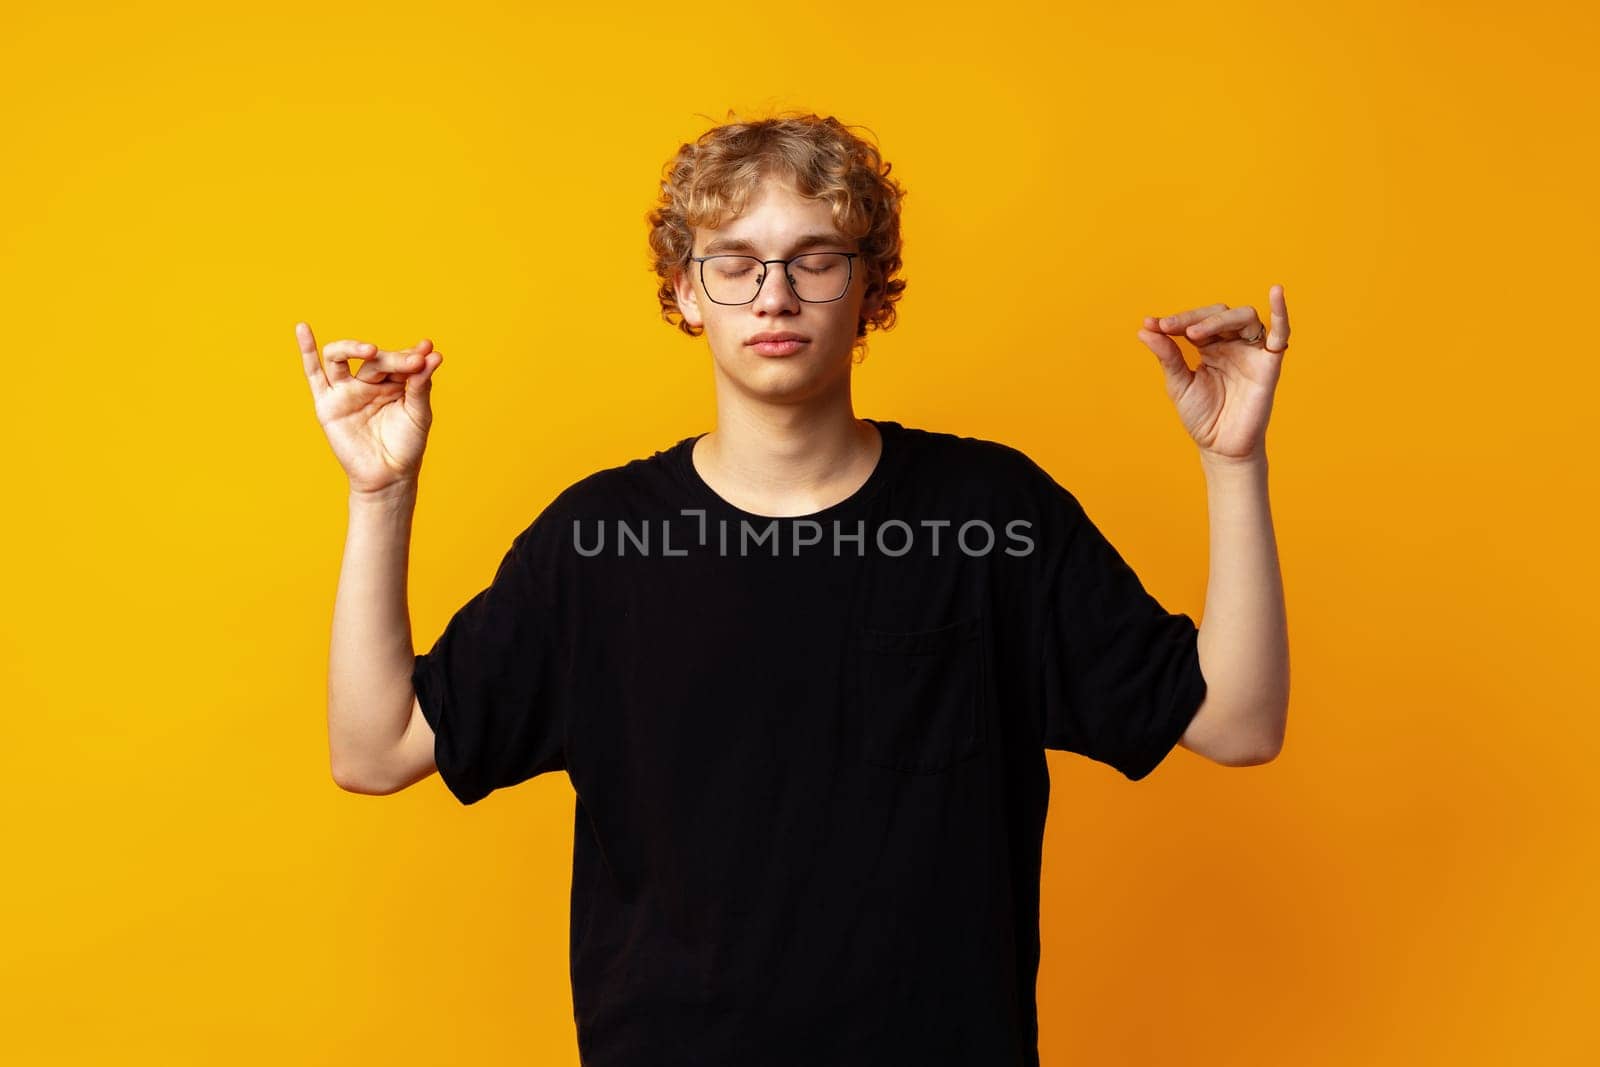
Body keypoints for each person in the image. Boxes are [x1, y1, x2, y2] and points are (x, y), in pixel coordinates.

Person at [300, 110, 1292, 1067]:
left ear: (869, 288)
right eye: (733, 262)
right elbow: (376, 747)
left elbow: (1238, 722)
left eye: (815, 257)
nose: (772, 294)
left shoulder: (993, 515)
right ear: (686, 294)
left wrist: (1233, 462)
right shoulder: (597, 541)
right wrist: (380, 491)